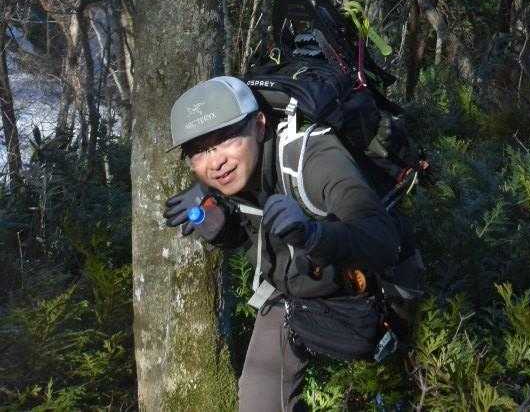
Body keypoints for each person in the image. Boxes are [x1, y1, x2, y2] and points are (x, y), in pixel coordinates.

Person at [163, 74, 404, 412]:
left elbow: (383, 241)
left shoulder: (312, 158)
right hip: (294, 295)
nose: (215, 162)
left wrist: (313, 235)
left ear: (260, 125)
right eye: (199, 151)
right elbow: (263, 245)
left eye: (226, 138)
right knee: (257, 404)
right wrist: (225, 232)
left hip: (372, 294)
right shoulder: (224, 181)